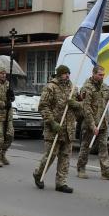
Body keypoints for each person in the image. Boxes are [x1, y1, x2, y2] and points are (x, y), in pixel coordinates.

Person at [32, 65, 82, 193]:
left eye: (68, 73)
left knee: (65, 157)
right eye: (65, 73)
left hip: (68, 129)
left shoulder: (73, 88)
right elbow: (43, 106)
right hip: (54, 129)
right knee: (50, 155)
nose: (67, 76)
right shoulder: (51, 88)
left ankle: (61, 182)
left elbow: (82, 107)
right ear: (59, 74)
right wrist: (51, 122)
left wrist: (77, 105)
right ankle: (39, 174)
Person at [77, 65, 109, 181]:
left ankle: (106, 172)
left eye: (103, 75)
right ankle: (81, 168)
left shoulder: (104, 87)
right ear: (94, 74)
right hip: (91, 122)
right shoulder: (87, 88)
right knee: (86, 146)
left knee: (103, 147)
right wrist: (92, 125)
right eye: (100, 75)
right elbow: (86, 108)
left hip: (103, 122)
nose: (102, 77)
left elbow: (106, 103)